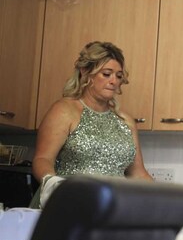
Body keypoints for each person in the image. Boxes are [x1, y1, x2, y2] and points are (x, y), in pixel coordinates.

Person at [30, 41, 152, 209]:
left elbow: (138, 173)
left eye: (118, 76)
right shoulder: (64, 110)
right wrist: (54, 185)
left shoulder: (126, 121)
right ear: (86, 73)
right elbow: (42, 159)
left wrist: (168, 200)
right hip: (69, 205)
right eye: (107, 74)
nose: (113, 81)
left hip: (111, 208)